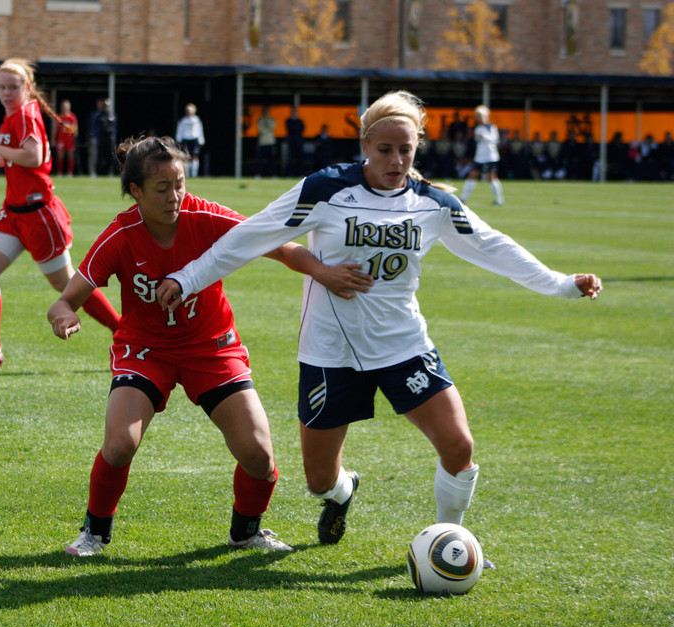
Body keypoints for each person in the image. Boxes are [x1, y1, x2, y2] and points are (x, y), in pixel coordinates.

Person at [157, 90, 602, 551]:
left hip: (403, 345)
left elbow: (494, 246)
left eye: (405, 150)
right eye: (385, 149)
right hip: (331, 350)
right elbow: (252, 235)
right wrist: (188, 279)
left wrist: (562, 284)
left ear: (417, 147)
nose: (396, 160)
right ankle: (343, 491)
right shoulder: (325, 189)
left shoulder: (433, 204)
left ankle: (451, 543)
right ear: (365, 144)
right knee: (318, 480)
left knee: (459, 446)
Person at [48, 135, 319, 555]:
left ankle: (246, 532)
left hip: (211, 346)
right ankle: (94, 533)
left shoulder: (206, 216)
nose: (175, 196)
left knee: (259, 456)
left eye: (180, 184)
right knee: (119, 446)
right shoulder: (120, 235)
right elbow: (65, 300)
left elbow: (280, 248)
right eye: (162, 188)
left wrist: (325, 272)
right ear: (136, 191)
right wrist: (64, 316)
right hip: (145, 351)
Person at [0, 58, 120, 369]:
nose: (6, 92)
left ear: (27, 87)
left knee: (67, 285)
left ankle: (122, 330)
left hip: (38, 215)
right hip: (13, 213)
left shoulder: (26, 114)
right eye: (2, 87)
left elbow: (34, 156)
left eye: (13, 87)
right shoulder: (15, 114)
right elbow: (20, 153)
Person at [459, 105, 504, 205]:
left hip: (490, 156)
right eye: (477, 116)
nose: (478, 118)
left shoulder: (491, 127)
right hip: (479, 157)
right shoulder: (477, 128)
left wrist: (484, 137)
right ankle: (463, 198)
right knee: (472, 175)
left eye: (480, 116)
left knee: (491, 177)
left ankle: (499, 200)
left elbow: (495, 140)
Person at [175, 103, 205, 177]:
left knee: (195, 156)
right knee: (186, 156)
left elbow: (200, 130)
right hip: (186, 139)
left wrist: (201, 139)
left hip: (194, 139)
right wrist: (178, 139)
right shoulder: (183, 120)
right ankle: (187, 174)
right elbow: (180, 130)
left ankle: (194, 174)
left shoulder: (197, 120)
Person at [51, 99, 78, 177]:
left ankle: (70, 173)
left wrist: (75, 137)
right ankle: (59, 172)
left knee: (70, 155)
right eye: (64, 107)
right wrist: (53, 139)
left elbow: (75, 129)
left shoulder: (72, 117)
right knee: (60, 156)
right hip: (61, 139)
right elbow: (55, 129)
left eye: (67, 107)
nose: (65, 108)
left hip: (70, 139)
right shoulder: (59, 117)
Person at [255, 105, 277, 178]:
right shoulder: (260, 120)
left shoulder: (271, 120)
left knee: (271, 160)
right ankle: (258, 173)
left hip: (270, 142)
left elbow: (272, 128)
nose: (266, 112)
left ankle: (272, 174)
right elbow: (260, 129)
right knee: (260, 160)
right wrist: (267, 130)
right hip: (262, 142)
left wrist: (266, 126)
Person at [284, 106, 305, 177]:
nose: (294, 112)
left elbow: (302, 129)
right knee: (291, 158)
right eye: (293, 111)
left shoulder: (300, 121)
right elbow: (290, 129)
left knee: (300, 158)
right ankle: (290, 174)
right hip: (292, 142)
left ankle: (299, 173)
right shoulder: (288, 121)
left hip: (299, 142)